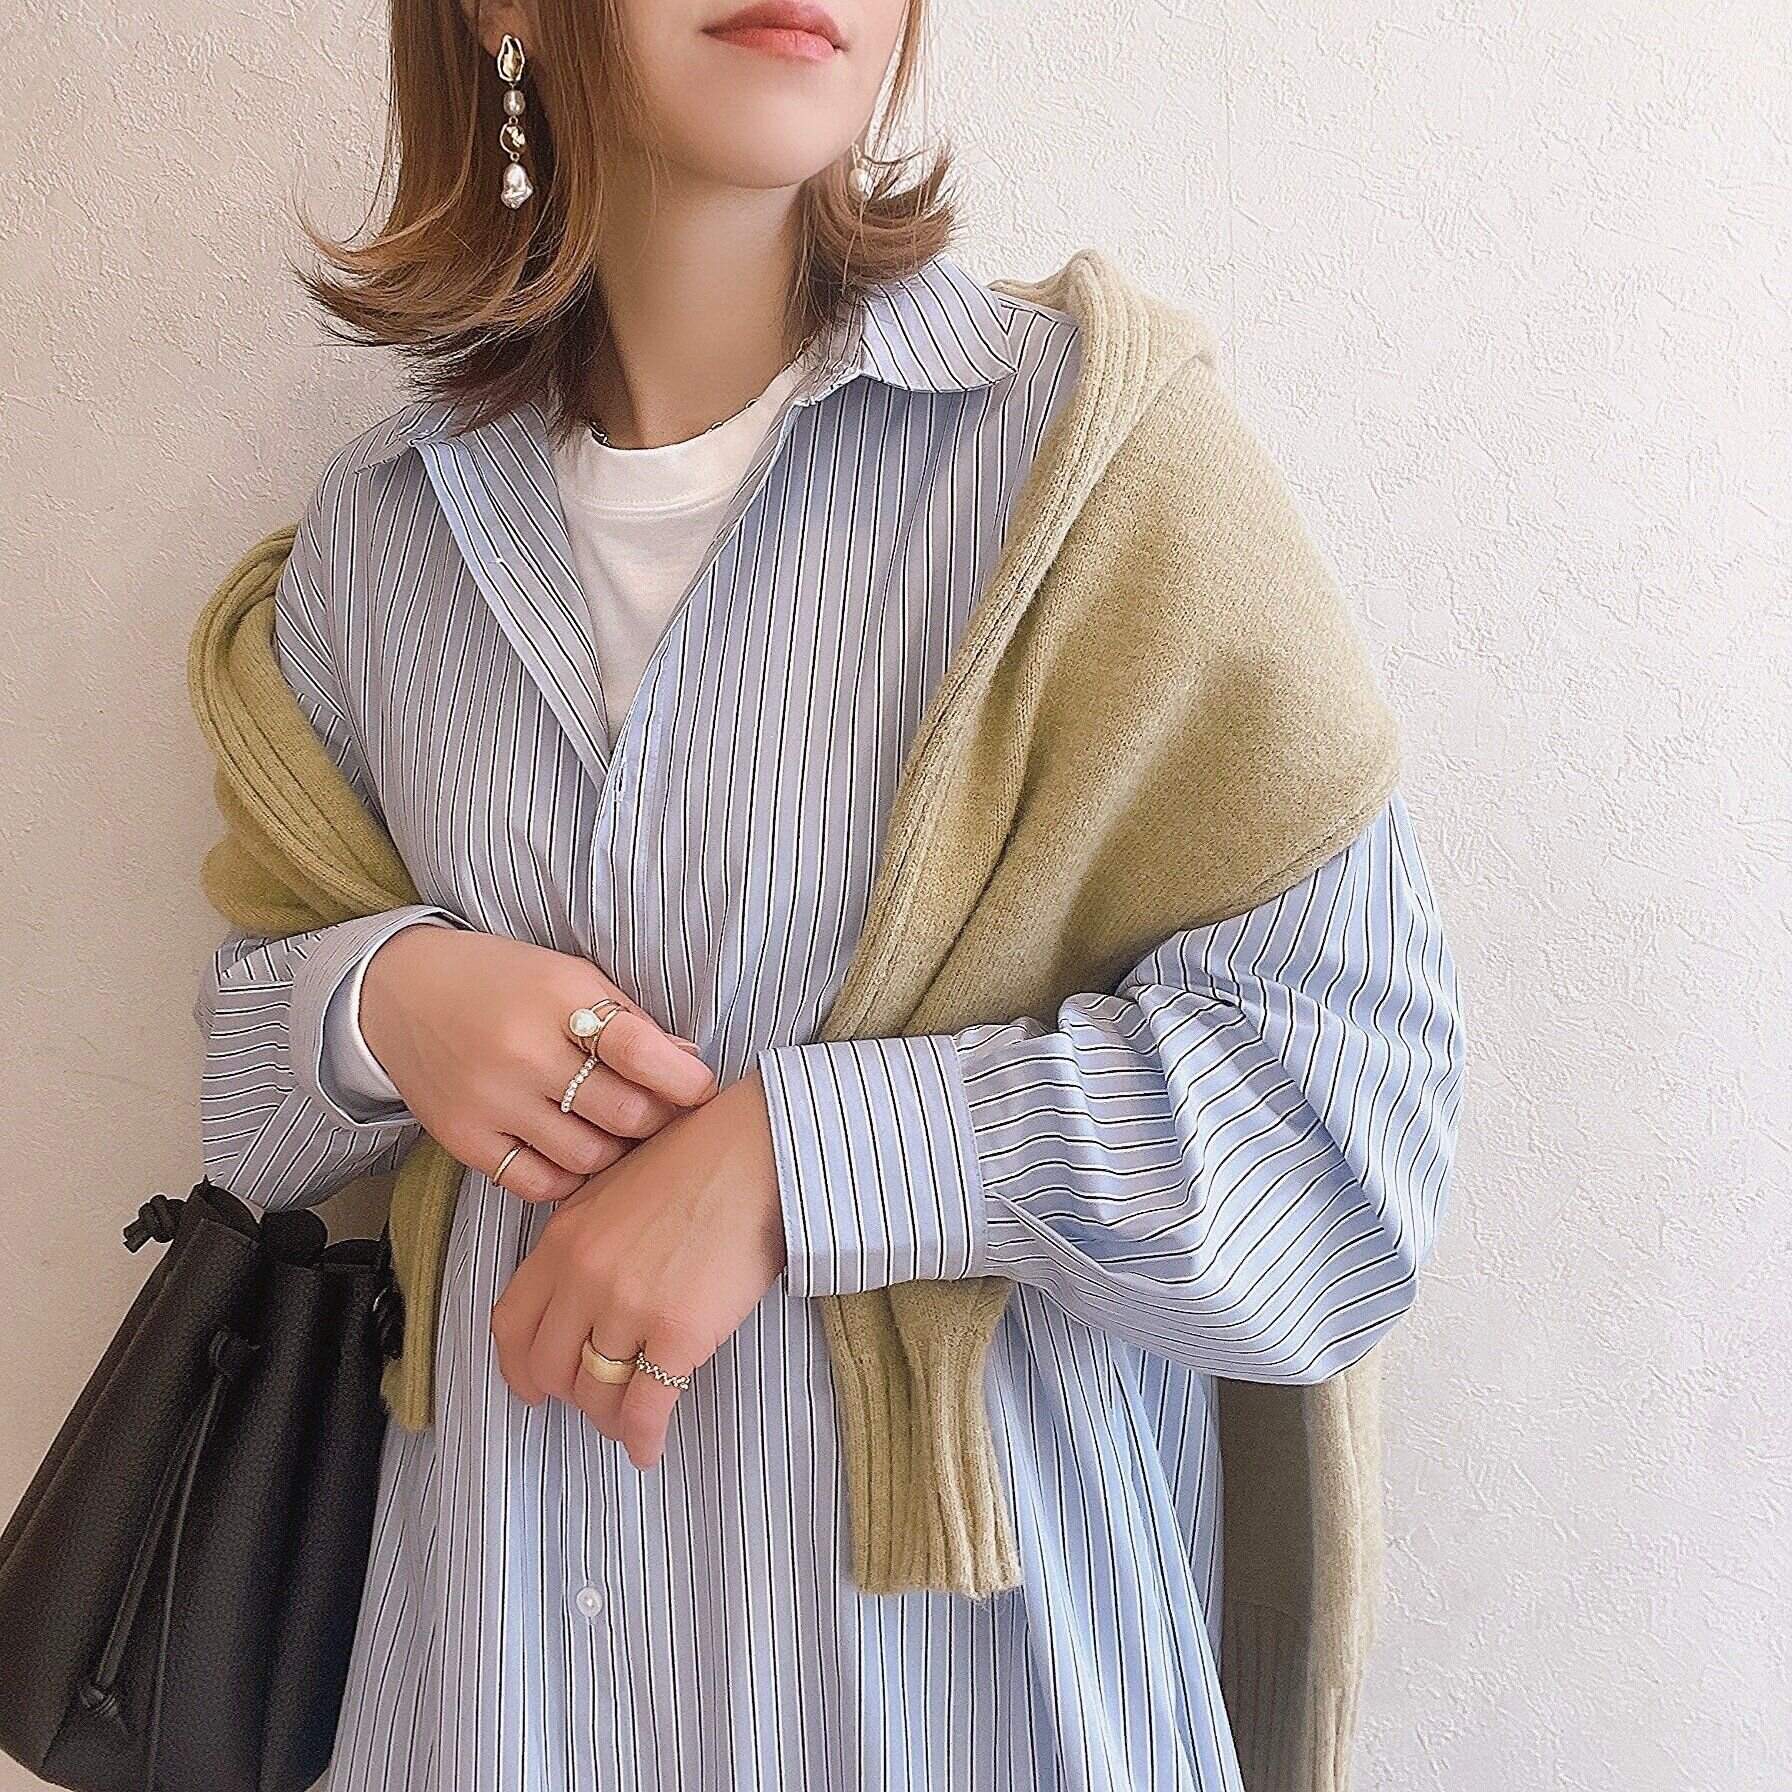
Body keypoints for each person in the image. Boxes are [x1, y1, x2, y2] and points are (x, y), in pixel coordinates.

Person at [193, 1, 1465, 1786]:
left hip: (955, 1703)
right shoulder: (384, 535)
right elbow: (238, 1098)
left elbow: (1345, 1154)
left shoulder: (1087, 470)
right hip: (484, 1676)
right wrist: (384, 1002)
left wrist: (805, 1157)